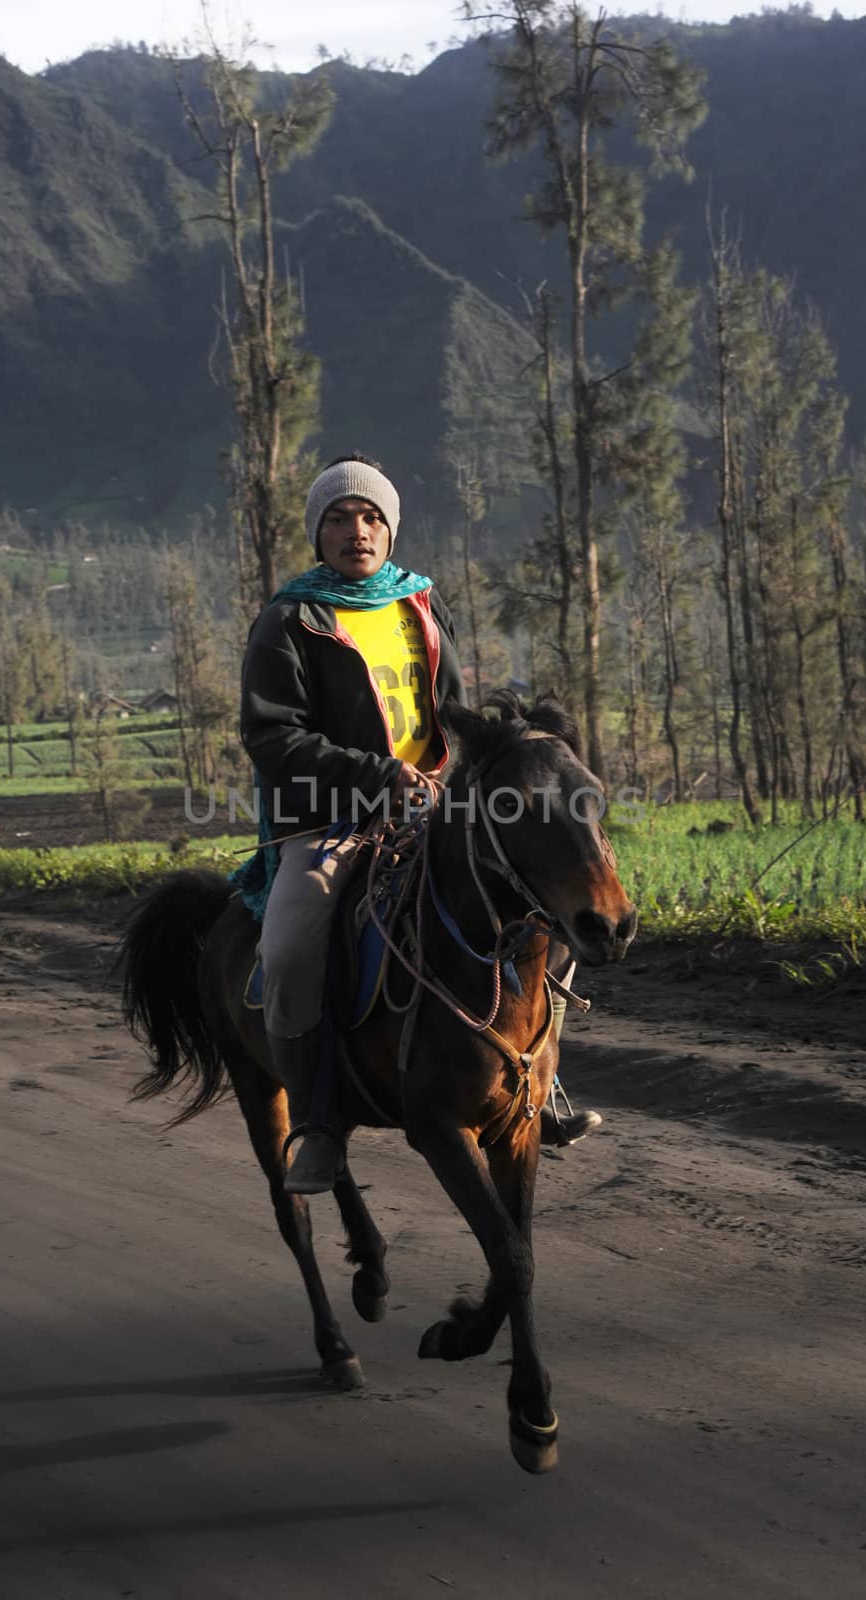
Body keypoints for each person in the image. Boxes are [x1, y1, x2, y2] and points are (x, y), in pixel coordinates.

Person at [239, 453, 594, 1196]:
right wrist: (374, 772)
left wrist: (472, 778)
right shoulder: (290, 618)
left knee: (543, 914)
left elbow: (452, 715)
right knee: (293, 947)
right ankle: (317, 1123)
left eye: (370, 517)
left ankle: (537, 1086)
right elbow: (271, 738)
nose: (355, 531)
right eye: (338, 519)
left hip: (432, 807)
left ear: (389, 530)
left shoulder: (420, 606)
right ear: (318, 533)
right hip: (330, 820)